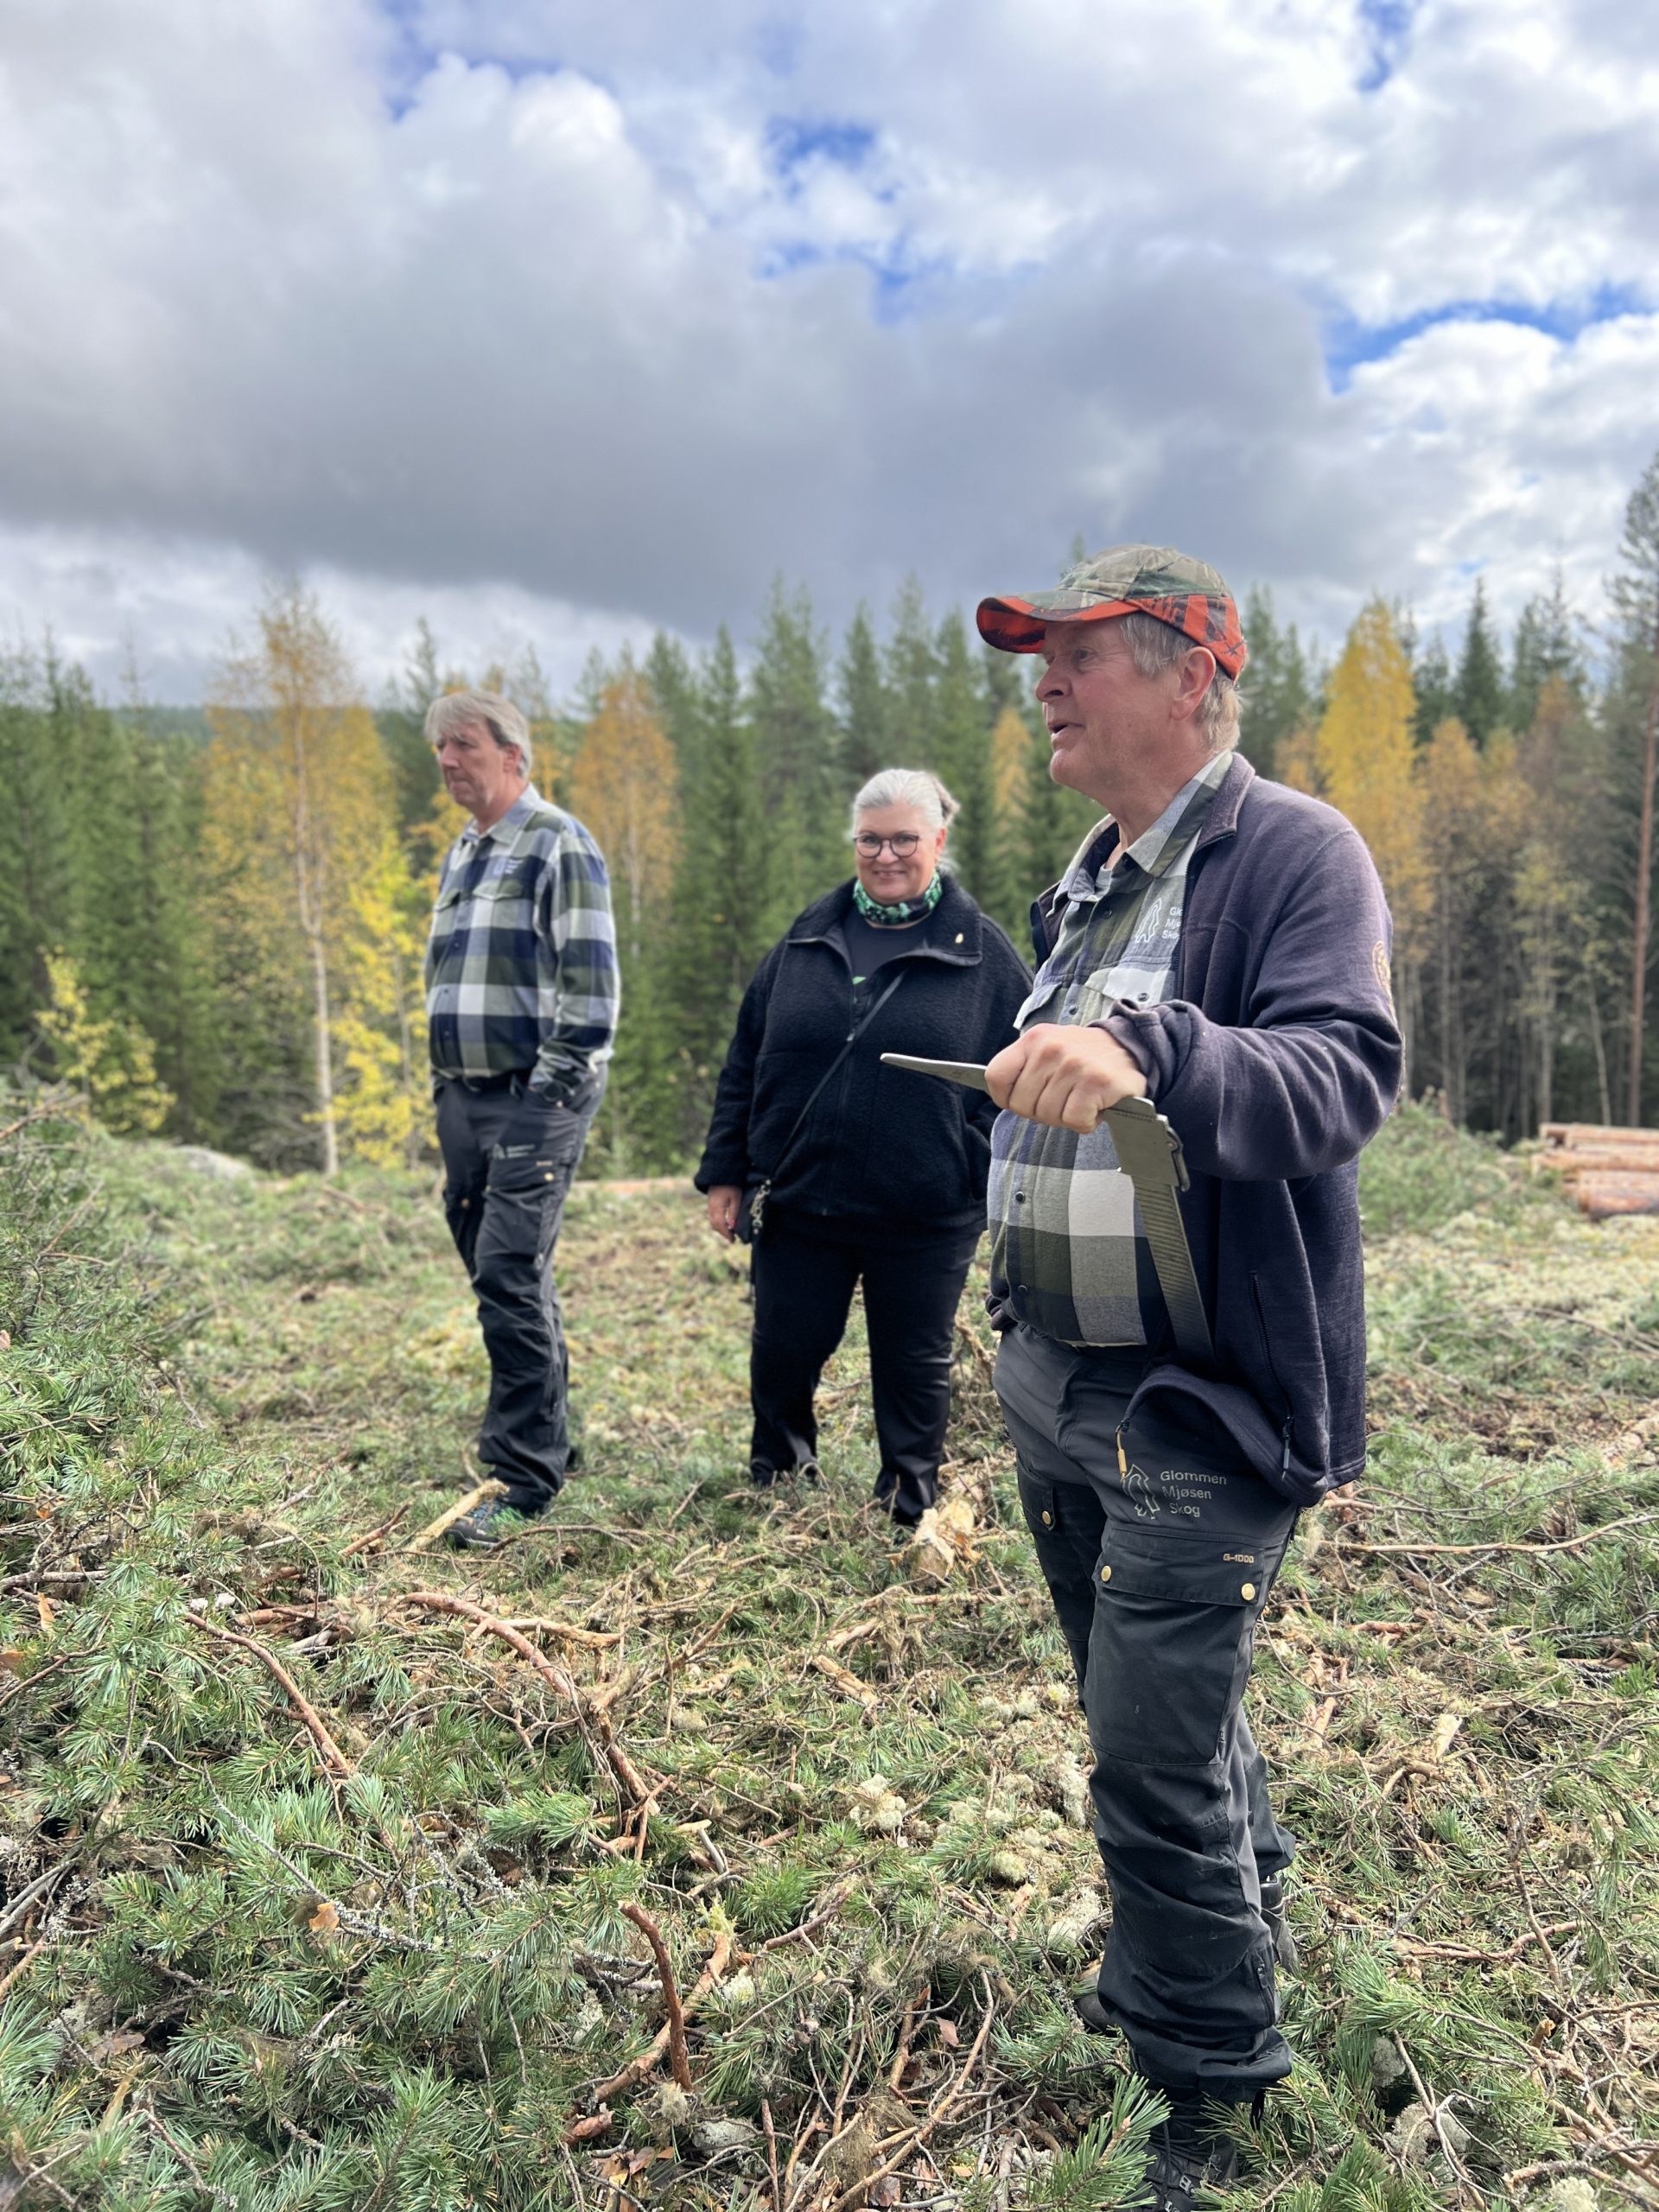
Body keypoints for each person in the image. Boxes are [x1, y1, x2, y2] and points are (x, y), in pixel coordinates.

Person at [974, 547, 1402, 2209]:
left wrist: (1151, 1045)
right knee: (1156, 1715)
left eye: (1078, 656)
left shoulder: (1294, 853)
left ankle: (1210, 2102)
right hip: (1057, 1388)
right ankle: (1240, 1916)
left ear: (1191, 674)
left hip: (1199, 1408)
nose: (1046, 687)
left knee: (1145, 1756)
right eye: (1041, 657)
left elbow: (1340, 1078)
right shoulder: (1091, 875)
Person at [696, 769, 1030, 1525]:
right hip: (799, 1196)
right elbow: (748, 1057)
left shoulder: (981, 953)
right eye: (871, 840)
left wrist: (972, 1160)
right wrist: (726, 1173)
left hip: (924, 1211)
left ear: (937, 841)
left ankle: (907, 1499)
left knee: (912, 1364)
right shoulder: (807, 937)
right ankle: (779, 1472)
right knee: (785, 1347)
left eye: (904, 839)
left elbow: (1027, 1069)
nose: (886, 855)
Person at [423, 690, 619, 1550]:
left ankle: (524, 1477)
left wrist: (546, 1097)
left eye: (462, 744)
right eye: (438, 749)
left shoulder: (558, 844)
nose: (447, 761)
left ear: (514, 754)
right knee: (502, 1269)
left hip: (531, 1097)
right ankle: (552, 1439)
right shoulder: (463, 852)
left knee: (506, 1267)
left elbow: (591, 995)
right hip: (462, 1095)